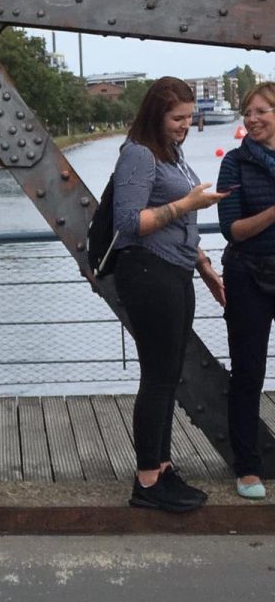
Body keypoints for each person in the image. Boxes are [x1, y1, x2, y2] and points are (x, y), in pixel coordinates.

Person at [110, 76, 228, 512]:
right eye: (178, 118)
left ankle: (162, 465)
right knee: (157, 378)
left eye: (189, 116)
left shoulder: (170, 155)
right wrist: (186, 205)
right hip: (147, 274)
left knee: (169, 374)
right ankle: (146, 480)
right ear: (156, 115)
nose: (185, 124)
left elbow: (179, 225)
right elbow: (129, 223)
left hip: (176, 272)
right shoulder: (138, 155)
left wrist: (205, 267)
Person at [216, 82, 275, 501]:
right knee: (248, 373)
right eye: (247, 113)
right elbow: (232, 230)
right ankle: (248, 468)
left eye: (261, 111)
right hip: (247, 276)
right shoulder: (234, 164)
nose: (251, 119)